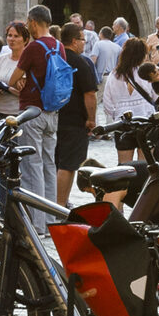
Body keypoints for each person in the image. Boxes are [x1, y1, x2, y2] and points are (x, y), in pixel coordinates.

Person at [9, 7, 63, 221]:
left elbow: (13, 79)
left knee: (32, 167)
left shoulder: (33, 47)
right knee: (50, 165)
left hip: (32, 111)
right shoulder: (58, 45)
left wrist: (20, 81)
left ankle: (36, 222)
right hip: (52, 111)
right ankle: (50, 219)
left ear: (32, 22)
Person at [52, 21, 101, 202]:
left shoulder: (53, 58)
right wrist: (91, 119)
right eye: (82, 40)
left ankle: (50, 202)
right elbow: (89, 94)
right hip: (74, 121)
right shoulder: (80, 62)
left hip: (53, 117)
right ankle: (59, 204)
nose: (84, 43)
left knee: (54, 164)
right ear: (74, 41)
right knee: (68, 165)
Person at [99, 36, 158, 158]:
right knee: (147, 165)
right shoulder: (146, 73)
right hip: (146, 120)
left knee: (125, 168)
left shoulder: (114, 75)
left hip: (123, 123)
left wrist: (117, 115)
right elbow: (155, 96)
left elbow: (107, 104)